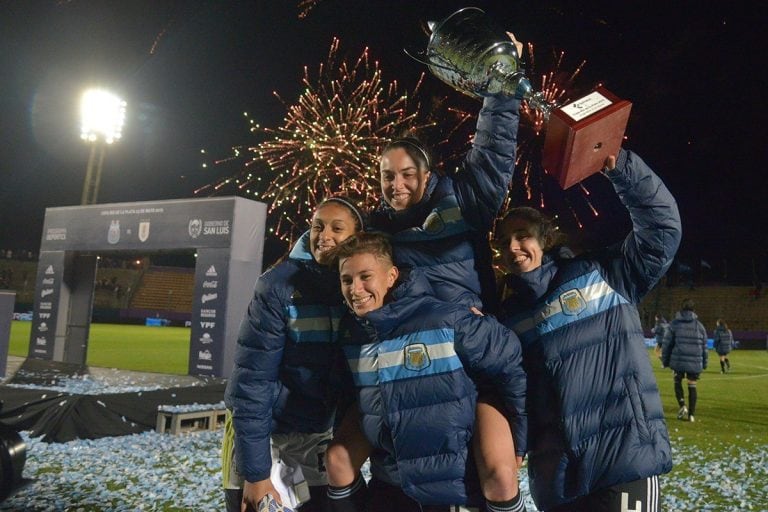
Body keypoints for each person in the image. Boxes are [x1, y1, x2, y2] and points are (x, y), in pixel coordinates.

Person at [496, 150, 681, 512]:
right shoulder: (508, 317)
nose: (513, 247)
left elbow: (663, 229)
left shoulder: (602, 273)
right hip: (557, 480)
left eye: (522, 236)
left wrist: (622, 168)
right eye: (503, 242)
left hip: (623, 462)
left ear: (546, 238)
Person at [326, 232, 527, 512]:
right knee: (337, 459)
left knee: (501, 479)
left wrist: (518, 434)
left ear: (392, 276)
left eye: (365, 277)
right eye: (347, 280)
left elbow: (507, 358)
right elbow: (354, 397)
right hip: (395, 476)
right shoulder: (353, 335)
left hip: (450, 476)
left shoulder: (443, 317)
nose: (355, 289)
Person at [223, 197, 366, 512]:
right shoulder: (277, 286)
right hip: (267, 439)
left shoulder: (357, 290)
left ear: (356, 237)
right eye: (317, 226)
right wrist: (256, 473)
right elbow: (252, 382)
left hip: (317, 437)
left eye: (336, 228)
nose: (324, 235)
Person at [663, 299, 708, 423]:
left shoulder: (674, 324)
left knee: (677, 381)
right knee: (692, 385)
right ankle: (692, 415)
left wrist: (665, 361)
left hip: (678, 360)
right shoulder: (699, 326)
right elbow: (704, 347)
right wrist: (704, 363)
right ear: (693, 310)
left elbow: (667, 344)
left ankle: (682, 405)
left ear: (681, 309)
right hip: (694, 361)